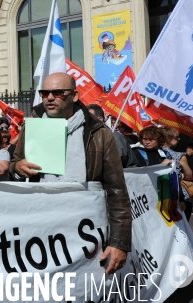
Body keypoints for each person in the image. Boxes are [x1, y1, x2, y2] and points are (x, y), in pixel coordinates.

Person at [10, 72, 131, 275]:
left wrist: (119, 243)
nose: (49, 97)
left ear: (74, 95)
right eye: (44, 92)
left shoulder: (99, 134)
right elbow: (14, 167)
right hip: (42, 230)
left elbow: (117, 192)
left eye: (58, 92)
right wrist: (17, 168)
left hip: (87, 231)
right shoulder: (32, 129)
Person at [160, 127, 193, 219]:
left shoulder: (153, 153)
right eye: (176, 137)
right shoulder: (179, 156)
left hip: (160, 194)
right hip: (178, 195)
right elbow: (188, 175)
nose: (179, 139)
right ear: (167, 138)